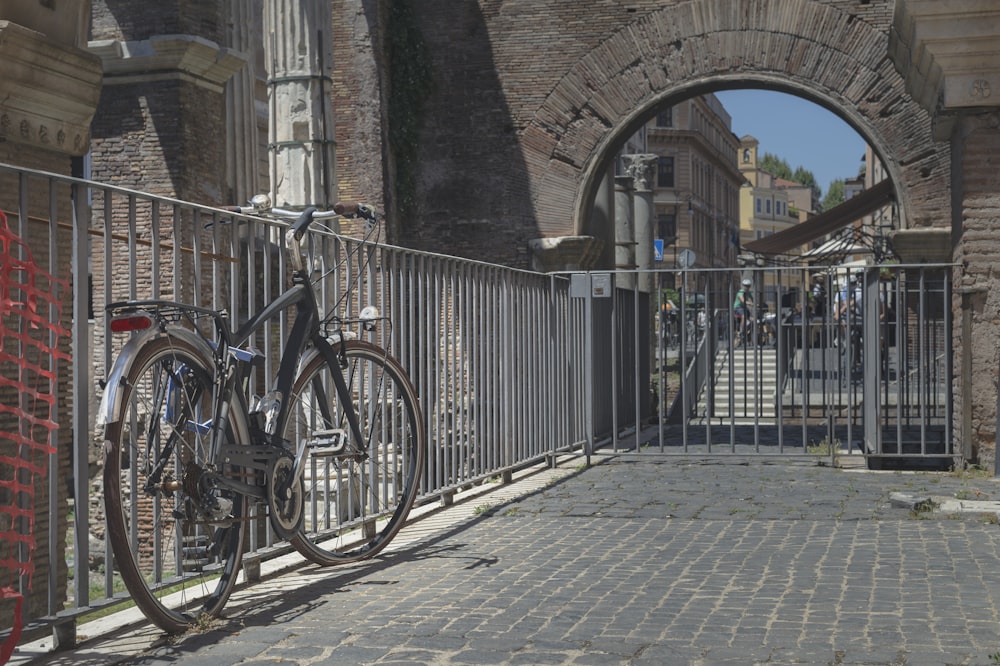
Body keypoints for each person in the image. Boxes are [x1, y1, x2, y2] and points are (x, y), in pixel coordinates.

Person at [733, 278, 753, 345]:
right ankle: (741, 330)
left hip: (744, 308)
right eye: (745, 286)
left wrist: (756, 304)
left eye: (748, 286)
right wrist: (749, 303)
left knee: (752, 319)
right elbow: (742, 300)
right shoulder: (740, 292)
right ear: (743, 286)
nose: (746, 287)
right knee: (744, 316)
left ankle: (748, 330)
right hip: (738, 308)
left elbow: (752, 298)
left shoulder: (748, 292)